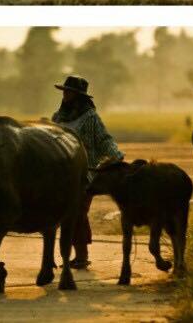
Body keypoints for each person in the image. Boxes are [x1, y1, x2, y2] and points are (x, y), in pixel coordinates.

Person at [52, 76, 124, 270]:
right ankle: (53, 256)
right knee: (56, 214)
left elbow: (104, 139)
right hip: (60, 173)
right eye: (64, 91)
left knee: (77, 213)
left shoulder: (90, 117)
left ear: (79, 96)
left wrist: (116, 157)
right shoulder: (57, 117)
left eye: (69, 91)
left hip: (84, 173)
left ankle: (82, 255)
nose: (66, 94)